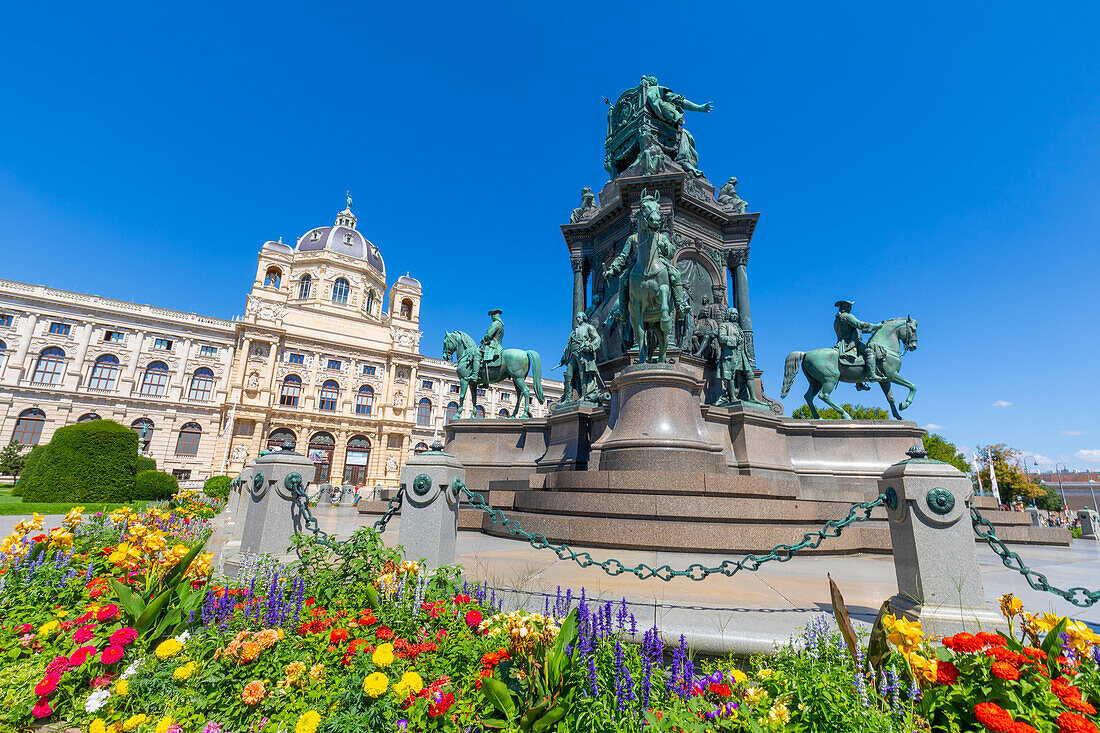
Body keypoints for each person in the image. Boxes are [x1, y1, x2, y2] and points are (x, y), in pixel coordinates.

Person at [833, 300, 884, 385]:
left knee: (860, 357)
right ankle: (872, 375)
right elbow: (860, 324)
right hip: (850, 343)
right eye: (849, 306)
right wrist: (877, 326)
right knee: (870, 352)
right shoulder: (846, 316)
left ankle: (859, 383)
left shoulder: (837, 319)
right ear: (846, 307)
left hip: (842, 343)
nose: (850, 308)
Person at [716, 307, 758, 404]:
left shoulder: (738, 326)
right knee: (731, 375)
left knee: (750, 374)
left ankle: (753, 398)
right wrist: (734, 339)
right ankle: (732, 397)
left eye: (735, 314)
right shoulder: (724, 325)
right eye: (732, 314)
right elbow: (721, 338)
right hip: (730, 354)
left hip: (741, 354)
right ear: (728, 315)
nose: (734, 316)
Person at [475, 309, 504, 385]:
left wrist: (483, 340)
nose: (492, 318)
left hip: (492, 346)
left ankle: (474, 375)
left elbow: (489, 335)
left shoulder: (495, 324)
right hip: (498, 345)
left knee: (477, 354)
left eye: (492, 316)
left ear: (494, 316)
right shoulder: (501, 325)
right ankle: (485, 381)